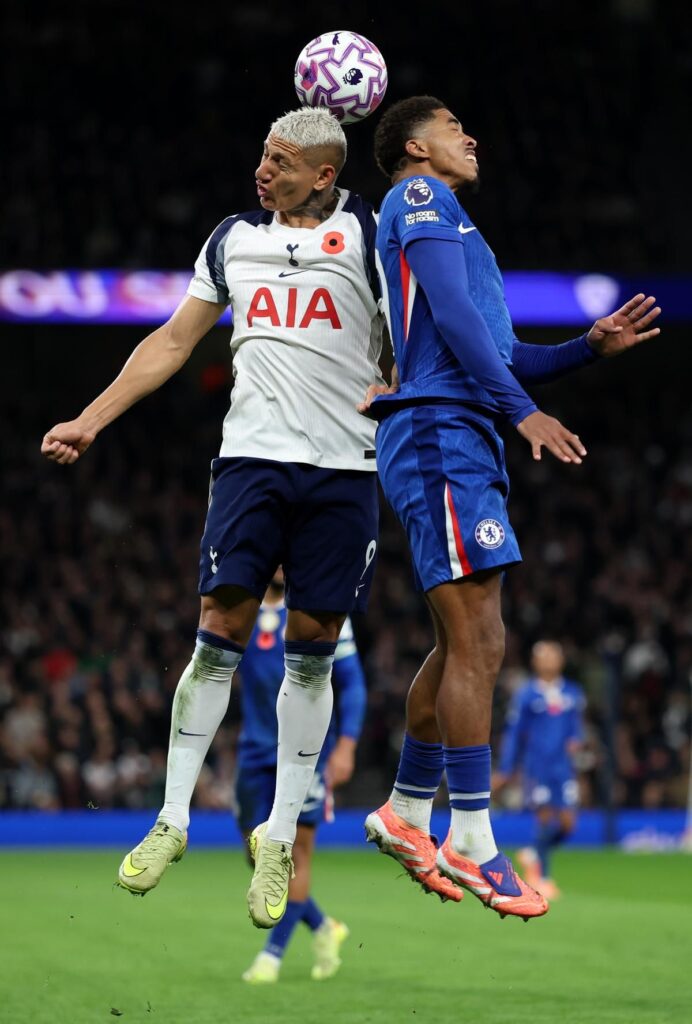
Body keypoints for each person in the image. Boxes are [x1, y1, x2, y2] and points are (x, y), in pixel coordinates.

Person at [41, 106, 384, 929]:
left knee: (311, 656)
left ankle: (277, 834)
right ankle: (172, 817)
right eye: (262, 154)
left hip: (344, 472)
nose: (262, 169)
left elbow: (415, 328)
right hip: (251, 463)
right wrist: (92, 416)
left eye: (281, 160)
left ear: (325, 175)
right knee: (217, 632)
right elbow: (170, 341)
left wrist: (401, 383)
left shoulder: (373, 235)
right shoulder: (233, 238)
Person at [359, 95, 661, 919]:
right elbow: (454, 322)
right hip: (438, 434)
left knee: (468, 638)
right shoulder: (416, 198)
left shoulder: (459, 226)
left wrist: (581, 351)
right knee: (479, 637)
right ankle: (472, 833)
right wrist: (520, 409)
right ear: (417, 149)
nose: (472, 136)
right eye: (455, 127)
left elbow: (497, 348)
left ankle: (409, 811)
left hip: (460, 435)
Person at [237, 569, 366, 983]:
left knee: (292, 856)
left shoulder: (318, 612)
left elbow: (353, 684)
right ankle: (324, 926)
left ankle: (271, 956)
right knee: (257, 855)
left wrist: (346, 745)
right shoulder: (240, 610)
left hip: (305, 755)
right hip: (253, 752)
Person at [494, 641, 586, 900]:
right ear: (535, 662)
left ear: (561, 660)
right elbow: (514, 733)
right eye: (543, 656)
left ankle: (533, 851)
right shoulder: (526, 694)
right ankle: (543, 877)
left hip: (563, 767)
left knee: (568, 823)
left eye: (553, 655)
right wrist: (507, 767)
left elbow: (575, 726)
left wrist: (577, 740)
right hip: (537, 766)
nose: (549, 660)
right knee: (545, 817)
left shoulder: (572, 692)